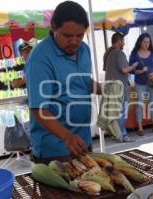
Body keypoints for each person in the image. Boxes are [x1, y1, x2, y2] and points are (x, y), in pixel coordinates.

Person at [25, 1, 101, 162]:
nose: (74, 41)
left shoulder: (84, 49)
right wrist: (67, 137)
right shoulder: (40, 59)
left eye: (79, 35)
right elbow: (39, 110)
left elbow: (82, 81)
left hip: (83, 142)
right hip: (55, 150)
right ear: (53, 28)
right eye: (67, 35)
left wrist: (103, 88)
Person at [104, 32, 137, 142]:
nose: (123, 43)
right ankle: (122, 135)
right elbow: (124, 69)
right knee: (122, 111)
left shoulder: (107, 53)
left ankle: (115, 134)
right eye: (123, 41)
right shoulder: (119, 53)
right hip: (119, 87)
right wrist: (133, 66)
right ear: (119, 41)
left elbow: (106, 69)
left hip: (109, 86)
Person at [129, 33, 153, 136]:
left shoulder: (152, 53)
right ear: (140, 42)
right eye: (144, 42)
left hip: (152, 82)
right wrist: (141, 71)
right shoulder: (134, 54)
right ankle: (140, 127)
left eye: (148, 42)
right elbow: (131, 70)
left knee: (152, 103)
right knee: (140, 103)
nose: (147, 44)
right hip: (140, 82)